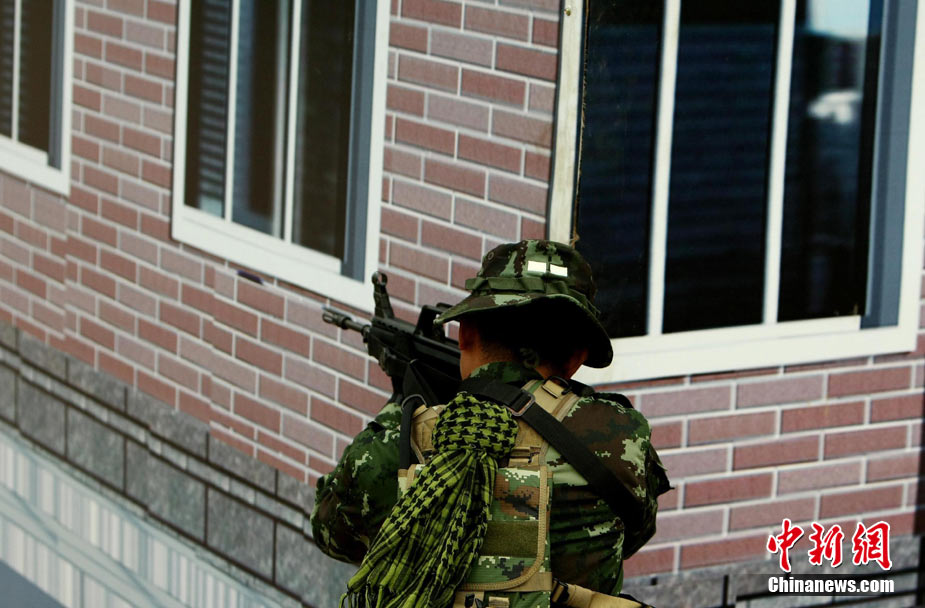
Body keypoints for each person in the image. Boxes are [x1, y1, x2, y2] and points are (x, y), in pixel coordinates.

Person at [311, 239, 670, 607]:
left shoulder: (394, 450)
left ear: (465, 333)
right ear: (578, 357)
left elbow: (330, 532)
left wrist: (403, 401)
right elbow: (633, 534)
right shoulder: (622, 439)